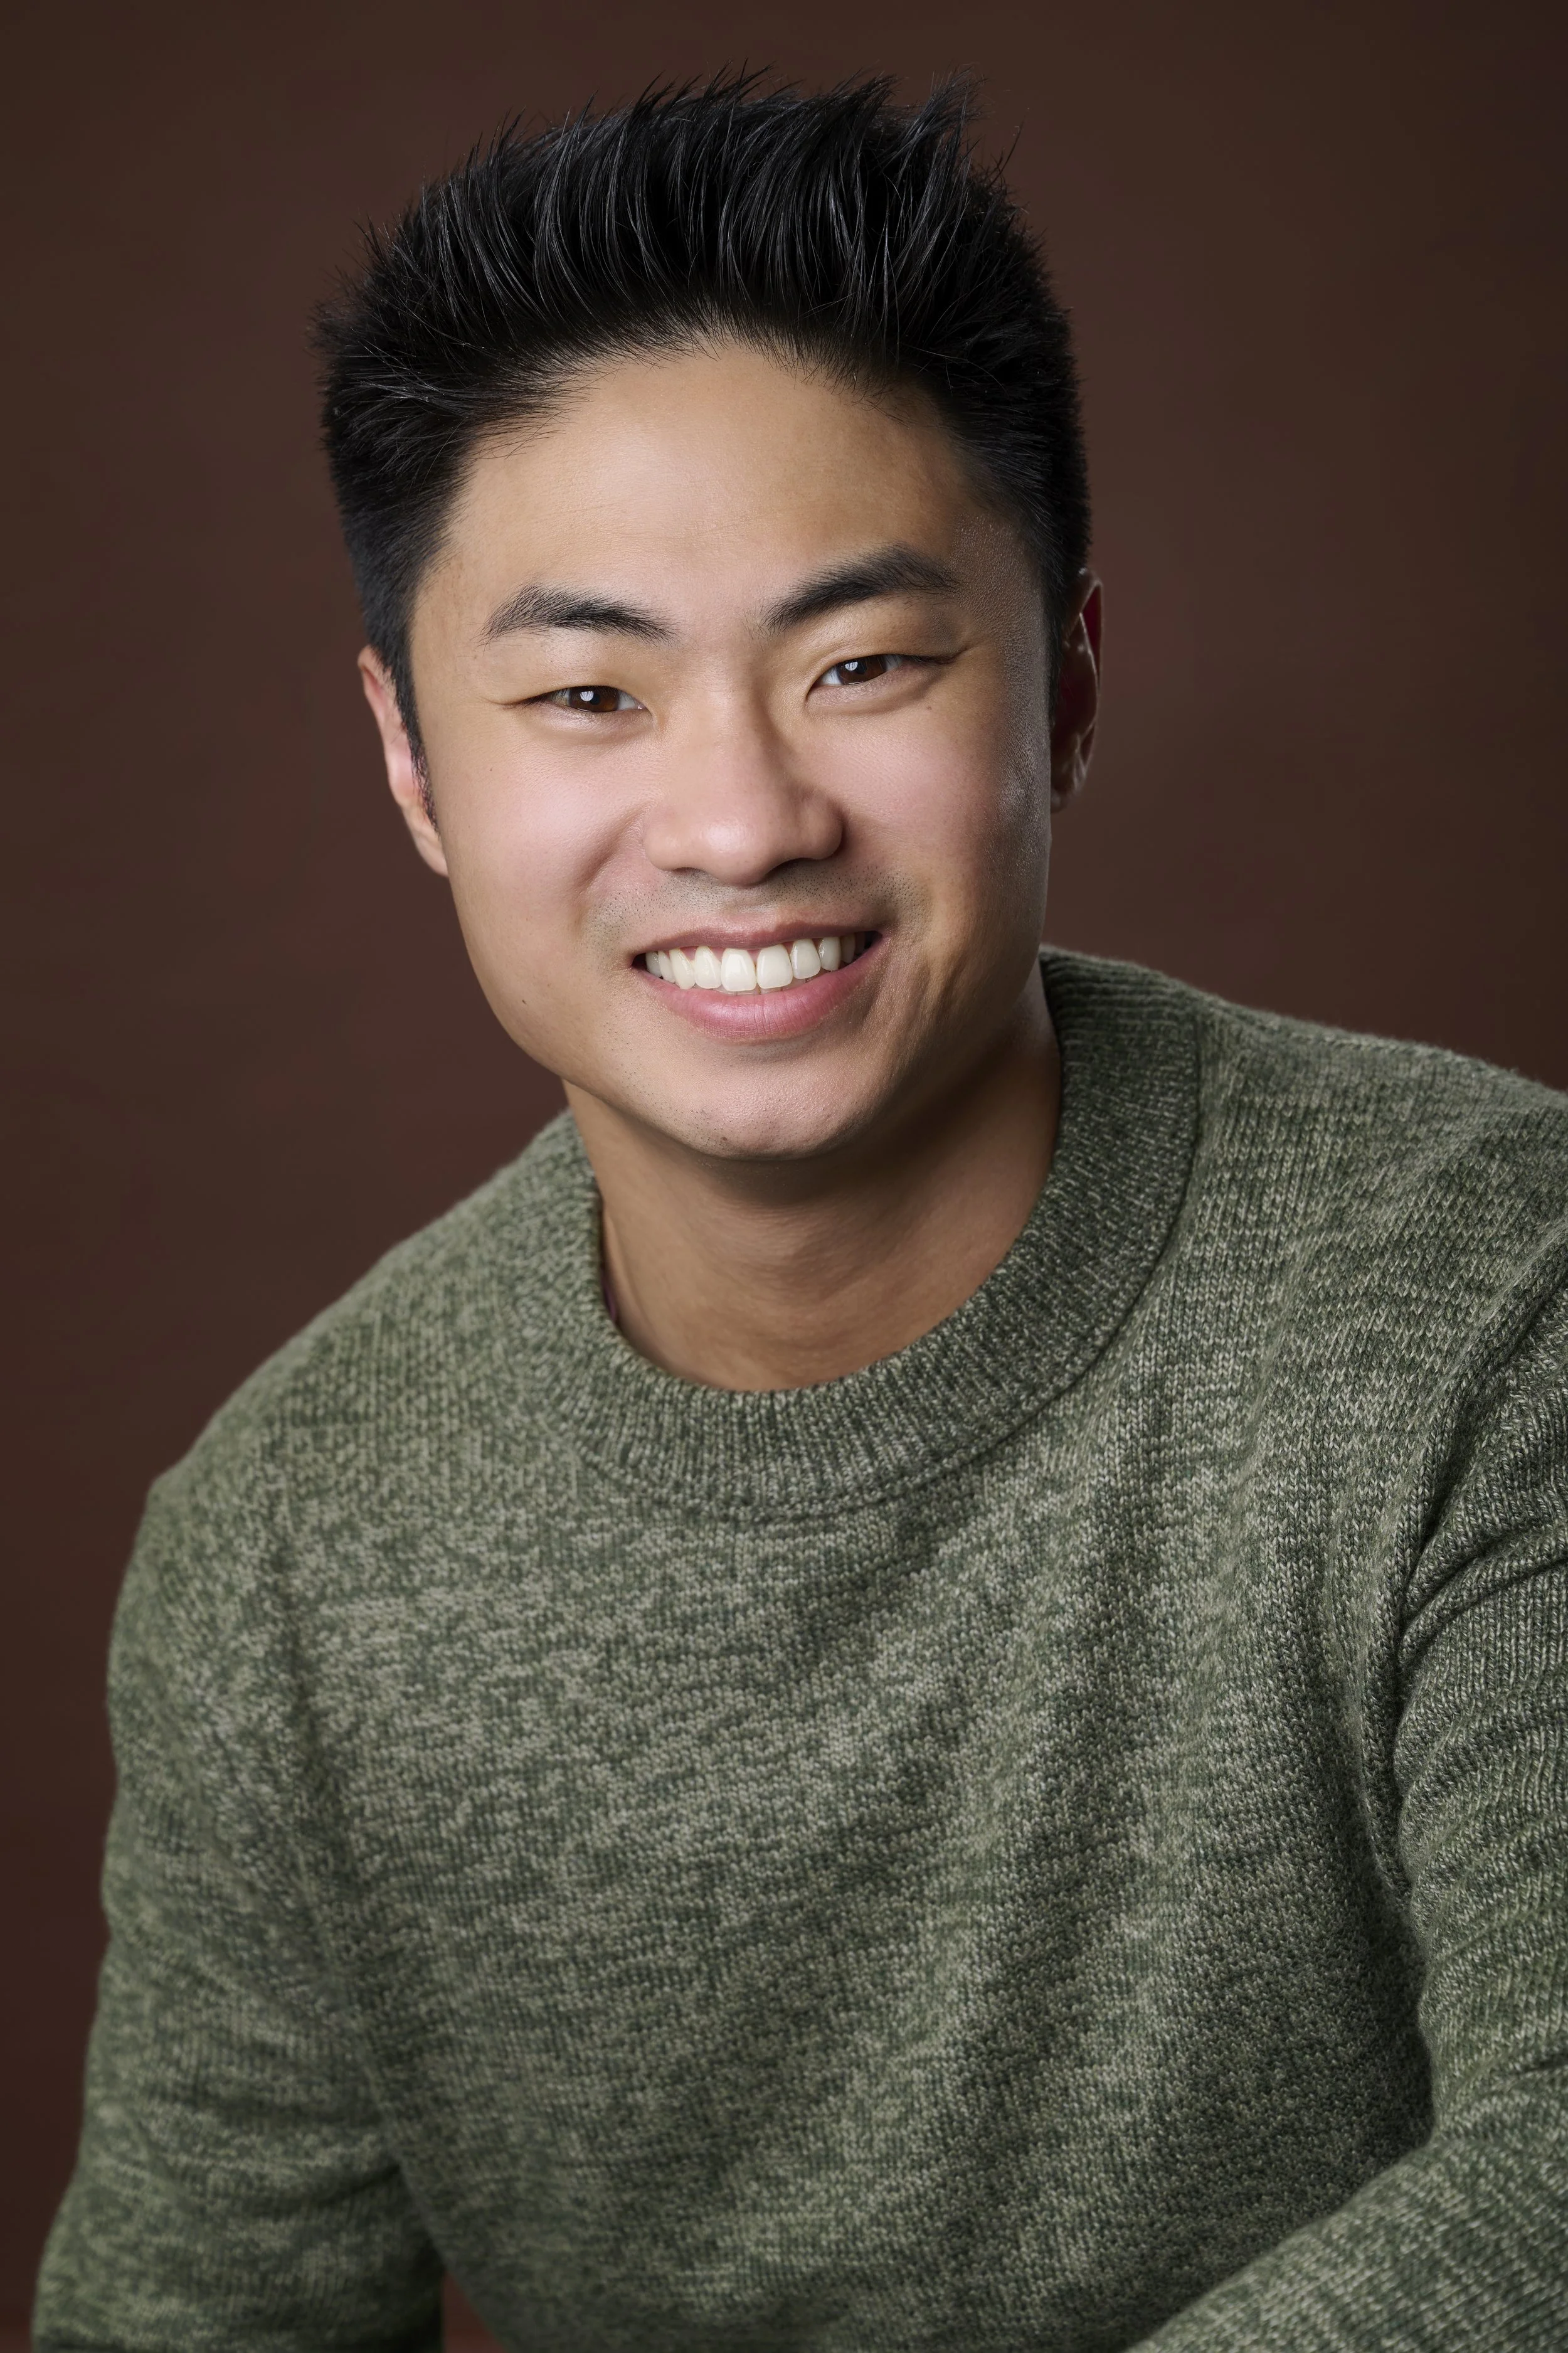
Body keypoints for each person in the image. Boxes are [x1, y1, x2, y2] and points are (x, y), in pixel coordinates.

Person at [34, 72, 1567, 2353]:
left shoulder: (1484, 1283)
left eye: (860, 662)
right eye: (585, 692)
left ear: (1060, 679)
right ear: (408, 762)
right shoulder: (284, 1553)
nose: (739, 816)